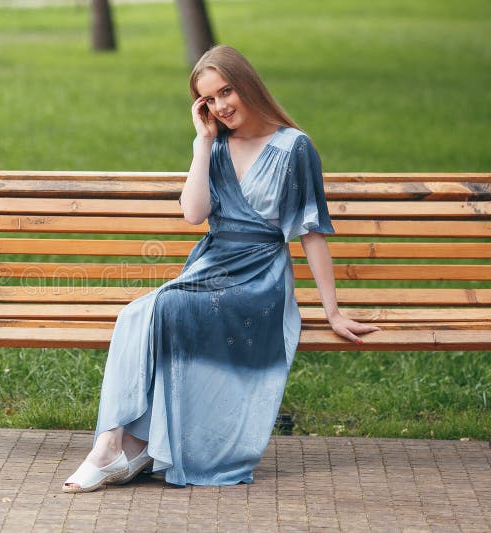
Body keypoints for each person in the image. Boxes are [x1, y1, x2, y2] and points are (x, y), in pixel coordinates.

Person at [62, 45, 381, 493]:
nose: (221, 106)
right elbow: (194, 214)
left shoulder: (295, 147)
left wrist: (331, 311)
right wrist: (203, 141)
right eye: (209, 99)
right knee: (136, 313)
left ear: (246, 83)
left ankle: (126, 449)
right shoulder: (216, 146)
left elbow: (311, 232)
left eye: (226, 91)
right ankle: (114, 444)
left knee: (163, 307)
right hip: (211, 267)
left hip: (259, 279)